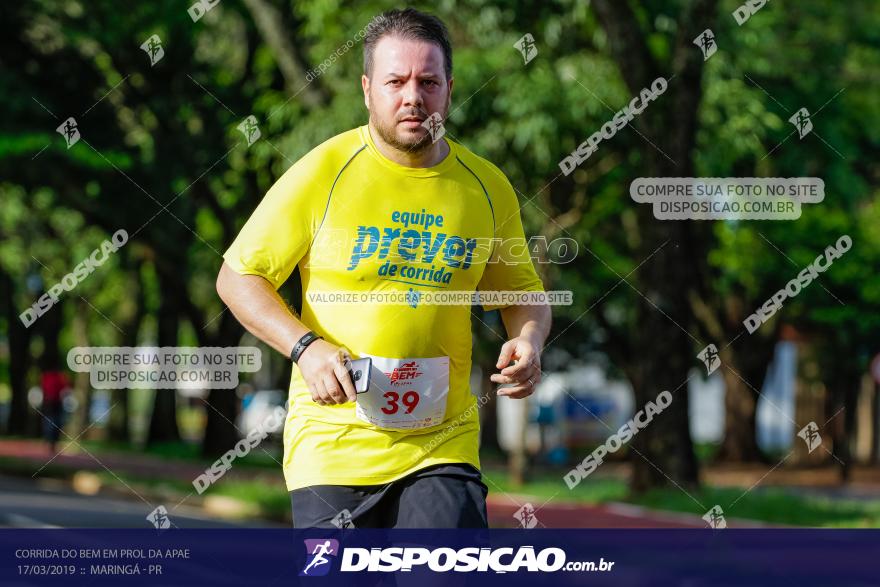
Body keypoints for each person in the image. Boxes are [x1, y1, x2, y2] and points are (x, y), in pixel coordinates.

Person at [216, 7, 551, 528]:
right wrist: (305, 348)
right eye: (396, 81)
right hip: (332, 448)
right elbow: (238, 277)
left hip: (442, 446)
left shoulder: (485, 186)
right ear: (368, 88)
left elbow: (521, 292)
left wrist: (528, 341)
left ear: (449, 88)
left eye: (428, 81)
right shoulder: (323, 172)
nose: (413, 96)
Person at [40, 365, 70, 453]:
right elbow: (65, 389)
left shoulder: (46, 376)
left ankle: (49, 441)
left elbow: (43, 389)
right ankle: (52, 443)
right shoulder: (60, 376)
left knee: (50, 423)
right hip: (55, 403)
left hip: (49, 403)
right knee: (56, 422)